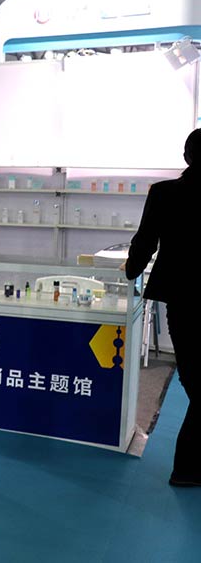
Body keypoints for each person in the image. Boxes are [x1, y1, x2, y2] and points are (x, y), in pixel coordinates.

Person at [126, 128, 201, 487]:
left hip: (182, 301)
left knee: (195, 380)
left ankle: (187, 468)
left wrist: (131, 271)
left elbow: (145, 241)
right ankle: (186, 469)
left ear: (186, 157)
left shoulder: (164, 192)